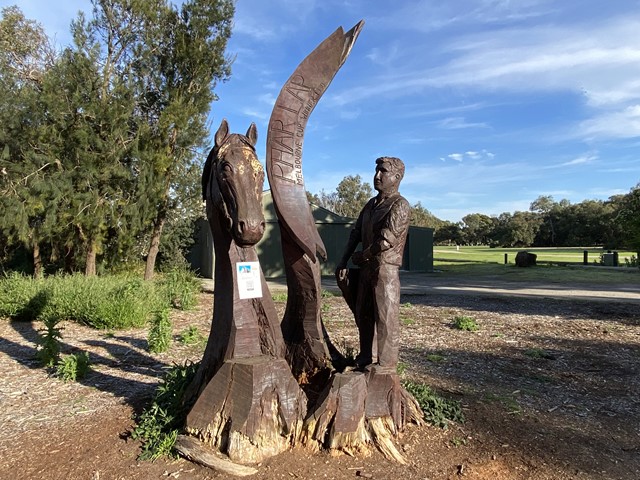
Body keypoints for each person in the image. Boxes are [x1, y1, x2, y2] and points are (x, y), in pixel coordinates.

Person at [335, 156, 411, 370]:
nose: (377, 176)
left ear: (396, 177)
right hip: (366, 269)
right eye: (376, 171)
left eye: (383, 172)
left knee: (386, 316)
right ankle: (366, 356)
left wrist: (363, 255)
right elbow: (356, 233)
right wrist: (343, 261)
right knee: (364, 314)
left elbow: (386, 240)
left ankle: (386, 363)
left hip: (385, 269)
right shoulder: (370, 204)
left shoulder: (399, 205)